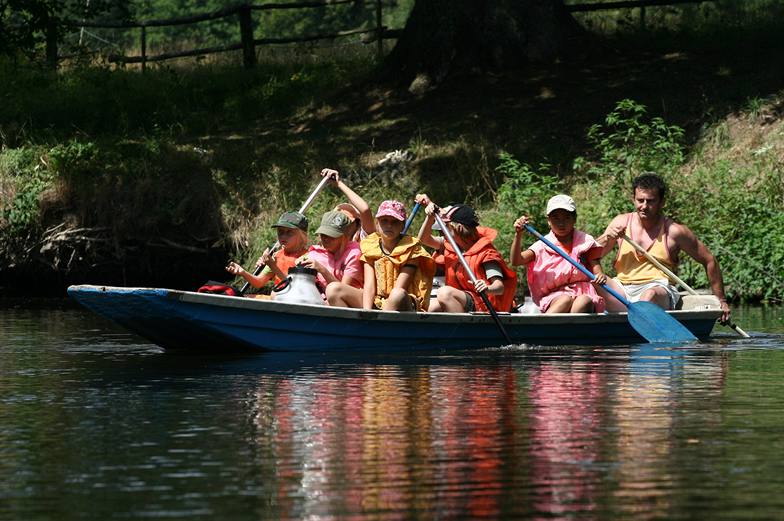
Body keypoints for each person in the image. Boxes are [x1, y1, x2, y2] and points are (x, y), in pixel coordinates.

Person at [595, 173, 731, 322]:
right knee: (591, 278)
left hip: (658, 289)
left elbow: (709, 260)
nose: (644, 206)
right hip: (622, 289)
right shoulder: (620, 222)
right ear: (633, 199)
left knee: (649, 296)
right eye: (640, 200)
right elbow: (590, 255)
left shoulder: (674, 231)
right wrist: (607, 237)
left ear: (662, 202)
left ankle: (641, 323)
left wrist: (722, 301)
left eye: (651, 201)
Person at [416, 194, 517, 313]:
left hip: (485, 304)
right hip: (463, 299)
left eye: (447, 225)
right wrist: (430, 216)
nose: (443, 230)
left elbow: (499, 287)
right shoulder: (450, 244)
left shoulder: (486, 253)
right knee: (431, 306)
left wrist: (487, 288)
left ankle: (463, 328)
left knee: (444, 293)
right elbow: (423, 239)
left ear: (457, 227)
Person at [511, 195, 607, 313]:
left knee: (584, 301)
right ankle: (543, 329)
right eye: (556, 218)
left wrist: (600, 276)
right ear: (549, 221)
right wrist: (518, 234)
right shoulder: (542, 245)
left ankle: (570, 330)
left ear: (574, 219)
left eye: (567, 218)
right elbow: (516, 261)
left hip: (583, 292)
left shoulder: (586, 241)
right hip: (555, 296)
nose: (561, 223)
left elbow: (598, 272)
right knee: (564, 300)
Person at [357, 200, 435, 311]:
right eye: (384, 220)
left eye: (395, 222)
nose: (389, 225)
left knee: (396, 294)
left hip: (403, 303)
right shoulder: (370, 246)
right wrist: (367, 313)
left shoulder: (411, 248)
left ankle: (381, 326)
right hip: (378, 301)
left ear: (402, 225)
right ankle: (354, 327)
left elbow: (399, 288)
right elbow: (369, 286)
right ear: (377, 223)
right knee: (335, 290)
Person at [225, 211, 309, 290]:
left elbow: (294, 289)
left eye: (289, 232)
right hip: (279, 298)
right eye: (280, 232)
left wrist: (273, 266)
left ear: (302, 235)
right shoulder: (276, 256)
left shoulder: (307, 258)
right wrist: (242, 272)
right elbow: (259, 282)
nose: (283, 236)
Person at [296, 210, 364, 305]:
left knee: (333, 290)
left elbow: (341, 290)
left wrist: (322, 270)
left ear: (343, 237)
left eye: (331, 235)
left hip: (355, 300)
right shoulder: (315, 254)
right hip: (325, 299)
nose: (326, 239)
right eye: (323, 234)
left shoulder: (354, 253)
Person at [320, 168, 375, 241]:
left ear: (356, 223)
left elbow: (365, 210)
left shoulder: (364, 237)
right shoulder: (333, 242)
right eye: (341, 223)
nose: (345, 227)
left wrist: (339, 183)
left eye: (348, 223)